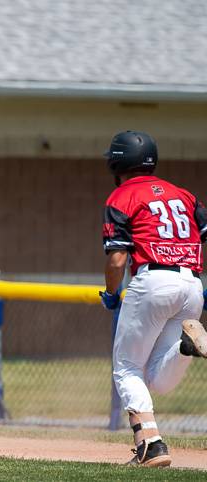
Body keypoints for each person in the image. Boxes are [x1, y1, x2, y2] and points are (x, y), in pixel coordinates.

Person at [100, 130, 207, 467]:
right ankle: (185, 346)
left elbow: (117, 260)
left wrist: (112, 294)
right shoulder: (184, 195)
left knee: (126, 367)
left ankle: (152, 445)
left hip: (153, 280)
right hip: (191, 285)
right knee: (158, 379)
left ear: (117, 162)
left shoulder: (121, 196)